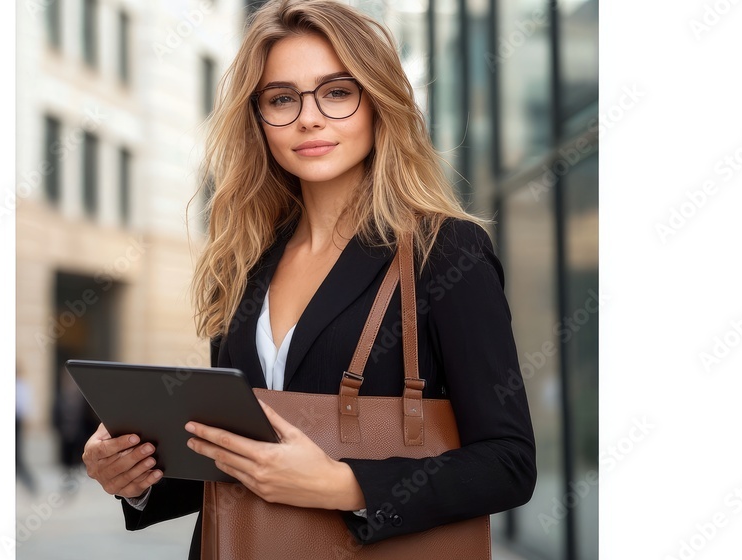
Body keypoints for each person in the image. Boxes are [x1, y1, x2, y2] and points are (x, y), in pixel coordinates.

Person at [82, 1, 536, 558]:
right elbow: (236, 454)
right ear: (259, 120)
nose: (309, 118)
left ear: (378, 102)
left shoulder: (443, 252)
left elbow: (509, 462)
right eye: (281, 99)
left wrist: (343, 486)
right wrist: (138, 477)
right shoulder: (245, 260)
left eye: (337, 92)